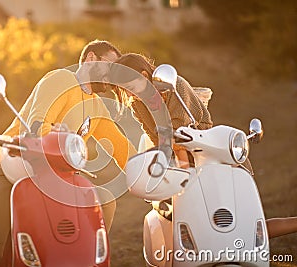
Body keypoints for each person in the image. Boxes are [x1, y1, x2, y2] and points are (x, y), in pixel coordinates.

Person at [0, 40, 137, 267]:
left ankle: (86, 258)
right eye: (110, 67)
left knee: (105, 201)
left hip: (57, 180)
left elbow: (119, 144)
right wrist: (54, 136)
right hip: (10, 171)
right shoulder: (61, 80)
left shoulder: (96, 105)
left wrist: (145, 171)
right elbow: (37, 124)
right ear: (91, 58)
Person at [108, 52, 297, 239]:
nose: (127, 92)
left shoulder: (175, 86)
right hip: (180, 161)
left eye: (128, 85)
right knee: (195, 224)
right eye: (122, 88)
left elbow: (181, 136)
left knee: (244, 224)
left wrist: (184, 181)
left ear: (143, 75)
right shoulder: (137, 104)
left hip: (208, 154)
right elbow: (158, 140)